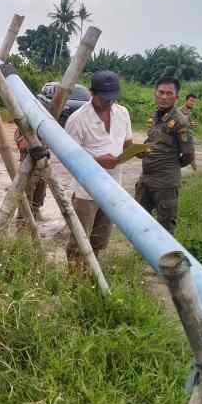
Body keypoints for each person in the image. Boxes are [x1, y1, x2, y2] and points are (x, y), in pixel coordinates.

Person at [64, 71, 133, 269]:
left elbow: (127, 143)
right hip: (85, 192)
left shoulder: (123, 113)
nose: (109, 103)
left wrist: (136, 151)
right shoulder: (77, 120)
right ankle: (74, 279)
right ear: (91, 93)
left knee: (99, 241)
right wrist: (96, 161)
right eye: (104, 99)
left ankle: (91, 275)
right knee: (79, 242)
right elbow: (67, 158)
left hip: (112, 189)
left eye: (112, 98)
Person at [135, 76, 195, 234]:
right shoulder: (156, 116)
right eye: (161, 92)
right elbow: (153, 142)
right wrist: (141, 152)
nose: (164, 97)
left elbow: (189, 155)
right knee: (139, 223)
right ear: (155, 94)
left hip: (165, 185)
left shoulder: (180, 121)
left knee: (165, 229)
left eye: (169, 93)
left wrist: (170, 165)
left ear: (176, 97)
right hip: (146, 180)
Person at [14, 127, 47, 220]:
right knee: (27, 190)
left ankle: (35, 211)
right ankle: (23, 217)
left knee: (41, 187)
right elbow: (23, 146)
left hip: (41, 165)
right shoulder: (21, 130)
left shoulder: (43, 129)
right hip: (27, 166)